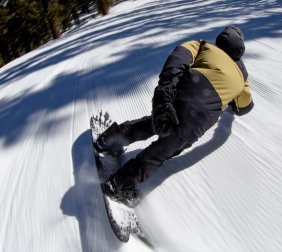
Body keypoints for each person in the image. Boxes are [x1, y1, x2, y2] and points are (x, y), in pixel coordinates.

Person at [95, 25, 254, 207]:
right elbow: (245, 107)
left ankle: (109, 140)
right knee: (163, 150)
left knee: (153, 123)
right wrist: (232, 95)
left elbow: (178, 57)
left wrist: (165, 92)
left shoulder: (204, 45)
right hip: (199, 120)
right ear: (239, 50)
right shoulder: (243, 77)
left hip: (182, 95)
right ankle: (120, 184)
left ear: (221, 40)